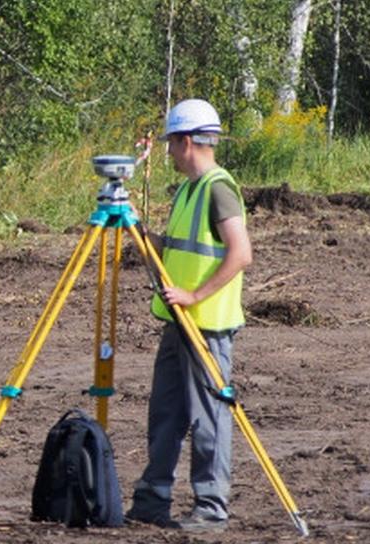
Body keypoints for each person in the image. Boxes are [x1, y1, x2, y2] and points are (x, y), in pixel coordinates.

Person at [127, 99, 253, 533]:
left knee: (208, 418)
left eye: (171, 144)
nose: (168, 152)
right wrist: (142, 234)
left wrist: (194, 294)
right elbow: (177, 250)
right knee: (165, 413)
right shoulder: (187, 190)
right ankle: (152, 499)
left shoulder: (218, 188)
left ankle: (211, 507)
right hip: (178, 321)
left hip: (207, 324)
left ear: (185, 141)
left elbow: (241, 253)